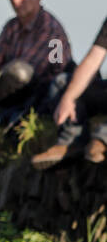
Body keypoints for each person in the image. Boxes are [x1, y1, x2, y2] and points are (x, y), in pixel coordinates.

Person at [31, 16, 107, 169]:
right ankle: (71, 143)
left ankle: (102, 139)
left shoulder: (51, 28)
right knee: (61, 83)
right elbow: (93, 60)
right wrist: (69, 97)